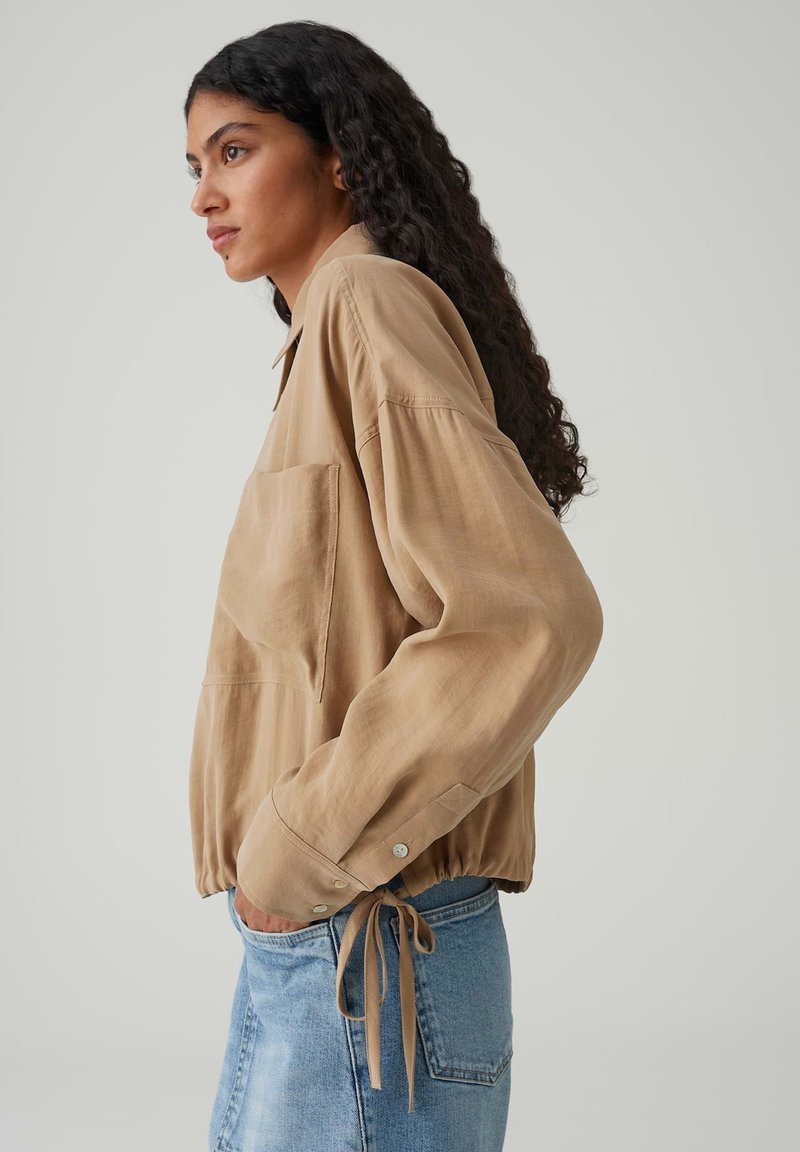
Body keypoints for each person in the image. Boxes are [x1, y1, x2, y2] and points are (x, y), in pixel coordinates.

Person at [184, 19, 604, 1151]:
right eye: (196, 165)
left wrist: (302, 844)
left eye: (235, 150)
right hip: (338, 947)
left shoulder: (367, 304)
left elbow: (529, 615)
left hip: (363, 952)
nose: (204, 194)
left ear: (336, 157)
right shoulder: (331, 328)